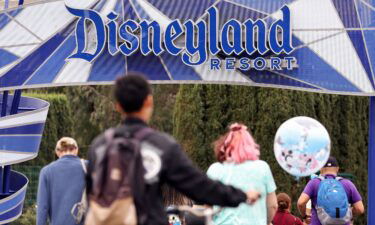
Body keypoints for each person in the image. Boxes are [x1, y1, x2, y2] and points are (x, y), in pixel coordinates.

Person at [86, 73, 261, 225]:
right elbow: (199, 187)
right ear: (149, 101)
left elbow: (91, 192)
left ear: (117, 105)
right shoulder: (161, 145)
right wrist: (242, 196)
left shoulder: (99, 145)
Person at [206, 123, 278, 225]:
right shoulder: (262, 167)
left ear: (225, 146)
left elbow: (207, 207)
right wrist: (265, 221)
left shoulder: (214, 169)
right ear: (251, 145)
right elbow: (273, 205)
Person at [297, 156, 365, 225]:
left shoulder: (314, 183)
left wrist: (304, 216)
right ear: (337, 169)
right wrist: (349, 214)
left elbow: (301, 203)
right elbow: (360, 209)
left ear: (321, 169)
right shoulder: (348, 184)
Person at [37, 137, 86, 225]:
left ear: (57, 152)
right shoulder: (88, 167)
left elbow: (42, 209)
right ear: (76, 150)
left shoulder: (46, 171)